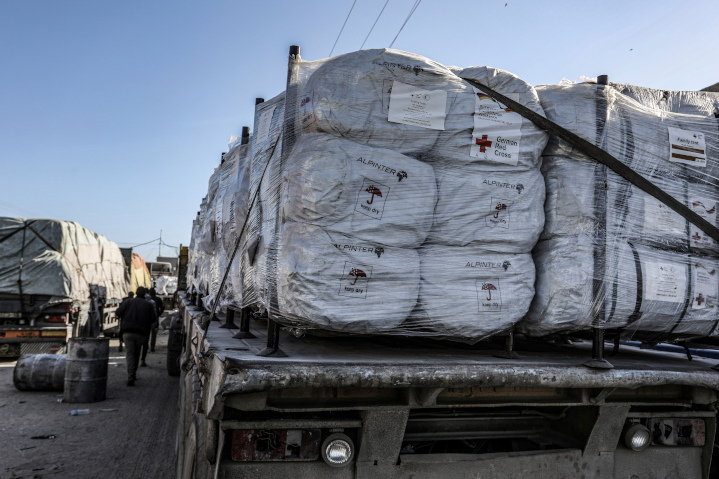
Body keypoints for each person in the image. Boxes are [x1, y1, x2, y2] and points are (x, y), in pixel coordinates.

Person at [115, 286, 157, 386]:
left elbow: (118, 312)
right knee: (137, 353)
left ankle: (130, 375)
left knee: (130, 354)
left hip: (127, 332)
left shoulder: (128, 302)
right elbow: (153, 319)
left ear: (136, 293)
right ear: (145, 295)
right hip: (141, 333)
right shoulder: (148, 304)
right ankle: (133, 374)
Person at [148, 288, 165, 352]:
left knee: (146, 333)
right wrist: (159, 313)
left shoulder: (147, 299)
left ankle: (146, 346)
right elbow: (163, 306)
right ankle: (152, 346)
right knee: (154, 333)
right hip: (155, 318)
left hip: (147, 318)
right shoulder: (158, 299)